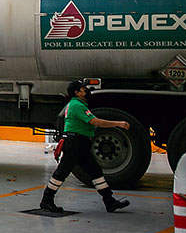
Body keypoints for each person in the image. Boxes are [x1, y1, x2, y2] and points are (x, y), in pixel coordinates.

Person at [40, 79, 131, 214]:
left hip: (80, 143)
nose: (86, 91)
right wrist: (118, 123)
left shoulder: (77, 104)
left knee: (95, 172)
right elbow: (95, 122)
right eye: (83, 89)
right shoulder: (77, 105)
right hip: (74, 143)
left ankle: (109, 201)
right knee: (62, 173)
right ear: (77, 93)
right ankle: (47, 200)